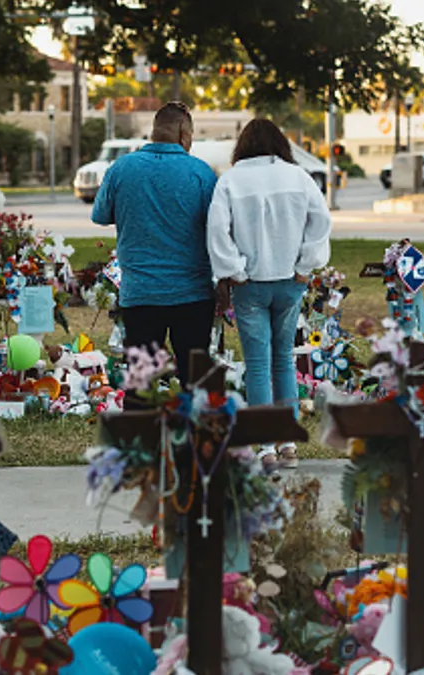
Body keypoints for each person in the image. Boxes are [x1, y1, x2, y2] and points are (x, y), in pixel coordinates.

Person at [207, 119, 332, 470]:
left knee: (259, 364)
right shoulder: (299, 176)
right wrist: (306, 265)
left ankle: (264, 447)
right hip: (291, 279)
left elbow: (217, 229)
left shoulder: (230, 180)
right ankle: (289, 442)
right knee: (285, 360)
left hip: (251, 284)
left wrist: (234, 271)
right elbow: (321, 222)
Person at [91, 102, 219, 398]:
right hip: (192, 293)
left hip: (140, 292)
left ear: (154, 131)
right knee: (195, 381)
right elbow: (217, 227)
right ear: (184, 133)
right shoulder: (200, 173)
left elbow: (99, 215)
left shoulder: (121, 168)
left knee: (141, 380)